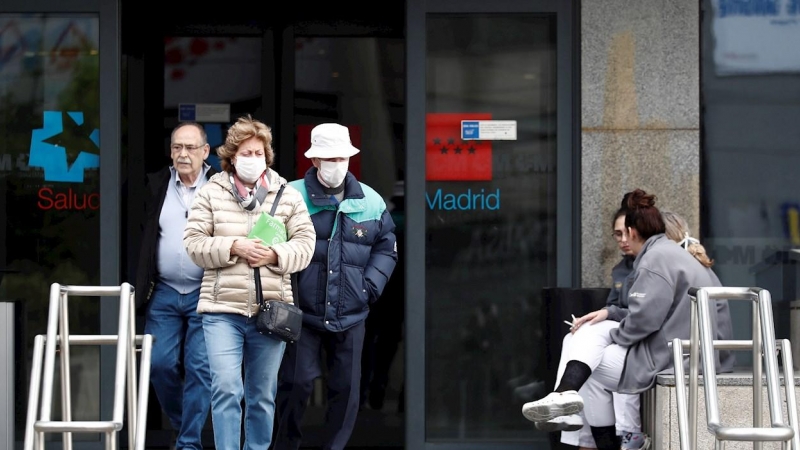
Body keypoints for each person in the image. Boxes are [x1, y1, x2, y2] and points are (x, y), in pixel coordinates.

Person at [522, 189, 731, 450]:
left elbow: (644, 321)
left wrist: (611, 335)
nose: (622, 241)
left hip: (675, 357)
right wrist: (609, 316)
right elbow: (654, 310)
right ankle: (565, 400)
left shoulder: (655, 259)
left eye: (624, 233)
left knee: (588, 339)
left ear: (633, 231)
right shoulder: (668, 254)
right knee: (588, 349)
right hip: (685, 351)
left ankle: (564, 401)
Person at [183, 115, 316, 450]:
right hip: (221, 309)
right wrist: (232, 246)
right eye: (246, 153)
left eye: (258, 153)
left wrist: (274, 255)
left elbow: (306, 244)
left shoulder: (287, 195)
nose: (252, 159)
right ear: (231, 157)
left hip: (270, 312)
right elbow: (193, 243)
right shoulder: (211, 192)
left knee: (261, 396)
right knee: (226, 388)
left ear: (266, 156)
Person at [272, 123, 398, 450]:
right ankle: (287, 445)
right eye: (329, 158)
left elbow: (387, 247)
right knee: (296, 384)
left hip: (352, 313)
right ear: (314, 161)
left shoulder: (371, 201)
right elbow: (265, 243)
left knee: (347, 390)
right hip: (302, 314)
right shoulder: (289, 195)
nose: (336, 165)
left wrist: (368, 286)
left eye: (341, 157)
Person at [134, 122, 216, 450]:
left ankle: (188, 444)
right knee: (158, 363)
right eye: (177, 147)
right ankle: (186, 429)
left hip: (206, 290)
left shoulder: (221, 188)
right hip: (165, 291)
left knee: (200, 368)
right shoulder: (154, 185)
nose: (183, 154)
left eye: (191, 147)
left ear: (205, 152)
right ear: (170, 151)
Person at [543, 205, 645, 450]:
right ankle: (567, 410)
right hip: (619, 336)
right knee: (575, 340)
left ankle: (568, 410)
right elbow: (613, 304)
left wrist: (606, 314)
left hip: (641, 343)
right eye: (616, 234)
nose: (622, 240)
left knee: (586, 350)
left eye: (626, 233)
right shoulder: (622, 269)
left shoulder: (651, 266)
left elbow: (643, 313)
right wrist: (597, 317)